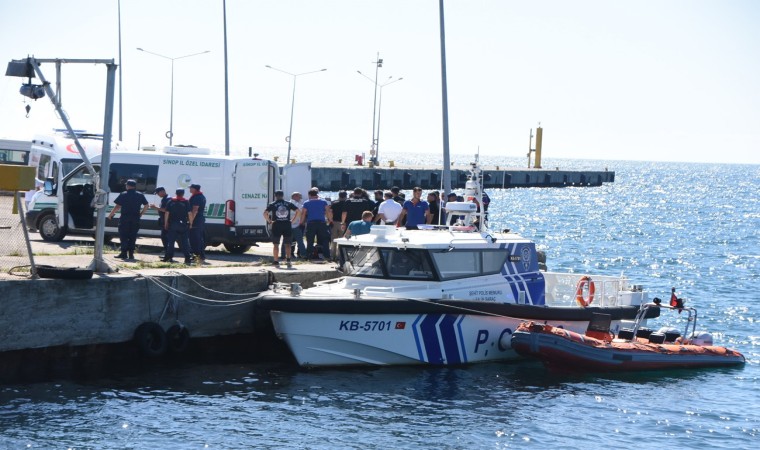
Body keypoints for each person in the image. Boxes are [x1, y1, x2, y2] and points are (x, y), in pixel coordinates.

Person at [108, 179, 149, 259]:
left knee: (124, 236)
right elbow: (146, 205)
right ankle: (131, 254)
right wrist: (141, 214)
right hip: (135, 219)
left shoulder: (124, 194)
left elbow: (117, 206)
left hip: (125, 219)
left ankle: (124, 253)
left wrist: (111, 214)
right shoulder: (140, 195)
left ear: (128, 186)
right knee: (133, 236)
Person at [264, 189, 299, 268]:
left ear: (275, 196)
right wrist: (293, 220)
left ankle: (276, 261)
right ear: (283, 195)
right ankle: (288, 260)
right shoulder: (288, 203)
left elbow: (265, 213)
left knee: (276, 244)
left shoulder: (272, 204)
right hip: (287, 225)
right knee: (288, 244)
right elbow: (298, 211)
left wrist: (270, 221)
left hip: (276, 225)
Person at [163, 188, 193, 264]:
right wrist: (191, 223)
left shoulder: (170, 201)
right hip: (183, 224)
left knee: (171, 242)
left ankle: (168, 257)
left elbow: (167, 213)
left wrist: (166, 223)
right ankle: (187, 258)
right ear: (183, 194)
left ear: (176, 193)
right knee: (185, 242)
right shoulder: (186, 202)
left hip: (172, 224)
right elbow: (189, 214)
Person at [302, 188, 332, 261]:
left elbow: (303, 213)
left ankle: (309, 255)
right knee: (325, 240)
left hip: (311, 223)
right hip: (321, 223)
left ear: (309, 195)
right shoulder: (323, 202)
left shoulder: (306, 203)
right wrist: (330, 220)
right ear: (317, 194)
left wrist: (301, 222)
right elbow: (328, 212)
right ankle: (327, 255)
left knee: (310, 240)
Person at [280, 192, 305, 260]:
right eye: (299, 197)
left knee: (285, 241)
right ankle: (304, 255)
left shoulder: (285, 204)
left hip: (287, 226)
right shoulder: (298, 205)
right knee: (300, 241)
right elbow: (302, 212)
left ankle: (283, 255)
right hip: (296, 225)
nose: (300, 198)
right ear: (295, 196)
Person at [188, 183, 206, 263]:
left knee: (195, 239)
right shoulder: (199, 196)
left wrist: (191, 221)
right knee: (197, 239)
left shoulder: (197, 197)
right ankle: (199, 256)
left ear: (194, 189)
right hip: (198, 220)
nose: (189, 189)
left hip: (196, 220)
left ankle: (198, 256)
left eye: (191, 188)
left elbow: (195, 210)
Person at [150, 186, 170, 257]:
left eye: (158, 193)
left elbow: (166, 210)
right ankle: (167, 253)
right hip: (164, 220)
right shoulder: (164, 199)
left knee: (165, 238)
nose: (158, 195)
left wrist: (155, 207)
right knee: (164, 237)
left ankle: (168, 253)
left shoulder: (167, 199)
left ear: (162, 191)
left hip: (166, 221)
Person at [329, 191, 348, 260]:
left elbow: (330, 212)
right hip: (344, 223)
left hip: (334, 222)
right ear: (346, 196)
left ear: (339, 196)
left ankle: (332, 255)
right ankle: (340, 256)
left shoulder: (334, 203)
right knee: (342, 240)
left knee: (333, 239)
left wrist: (330, 220)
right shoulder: (347, 203)